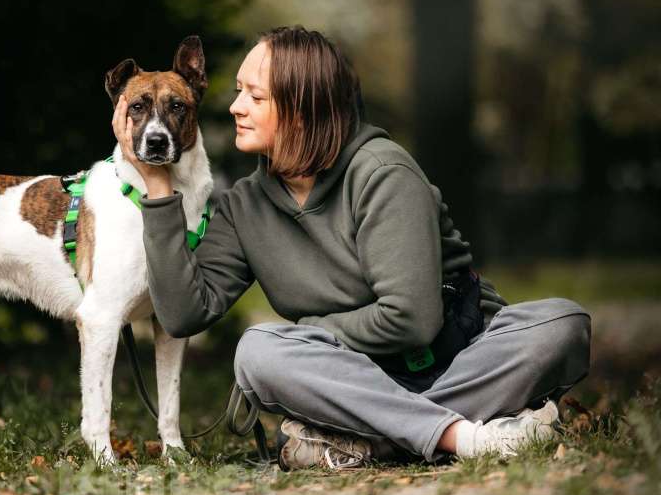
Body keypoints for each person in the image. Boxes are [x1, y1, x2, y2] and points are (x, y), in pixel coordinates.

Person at [112, 26, 591, 470]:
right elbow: (180, 314)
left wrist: (313, 336)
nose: (235, 106)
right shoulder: (245, 207)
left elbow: (411, 318)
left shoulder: (382, 173)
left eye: (254, 96)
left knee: (563, 325)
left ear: (303, 108)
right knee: (258, 352)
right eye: (239, 91)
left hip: (458, 362)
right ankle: (466, 438)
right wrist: (158, 188)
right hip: (349, 379)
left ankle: (367, 438)